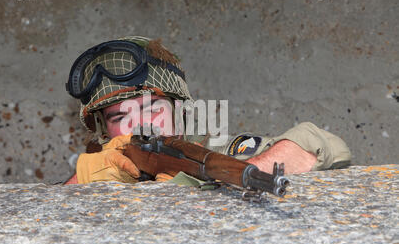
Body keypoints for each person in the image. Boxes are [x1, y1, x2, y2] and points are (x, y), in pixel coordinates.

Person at [64, 36, 351, 185]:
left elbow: (322, 146)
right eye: (121, 116)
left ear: (180, 110)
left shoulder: (217, 153)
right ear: (103, 128)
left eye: (152, 109)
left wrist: (224, 178)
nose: (141, 125)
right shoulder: (101, 171)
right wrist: (83, 182)